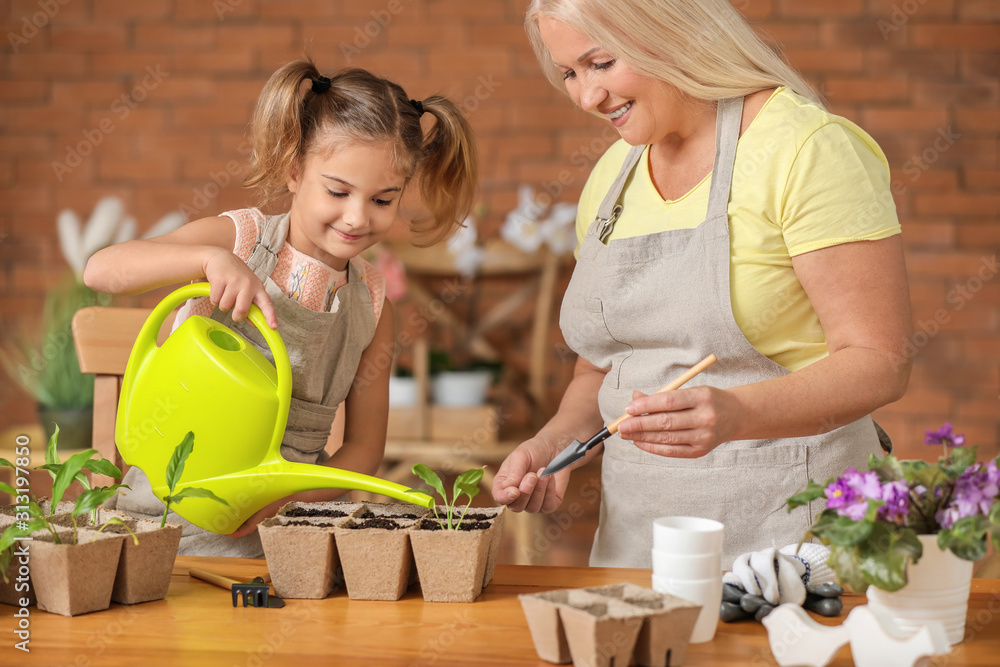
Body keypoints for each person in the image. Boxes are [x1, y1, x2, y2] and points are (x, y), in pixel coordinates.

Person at [492, 0, 912, 568]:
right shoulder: (610, 179)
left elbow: (879, 360)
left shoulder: (805, 149)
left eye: (601, 64)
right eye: (569, 73)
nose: (586, 98)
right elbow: (601, 369)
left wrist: (738, 415)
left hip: (798, 528)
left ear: (666, 31)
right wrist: (554, 443)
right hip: (639, 541)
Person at [85, 59, 478, 556]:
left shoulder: (372, 304)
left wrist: (283, 497)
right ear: (294, 170)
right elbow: (100, 269)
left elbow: (363, 450)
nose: (357, 217)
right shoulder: (241, 240)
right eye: (338, 191)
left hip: (276, 538)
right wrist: (208, 259)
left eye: (383, 200)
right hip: (158, 527)